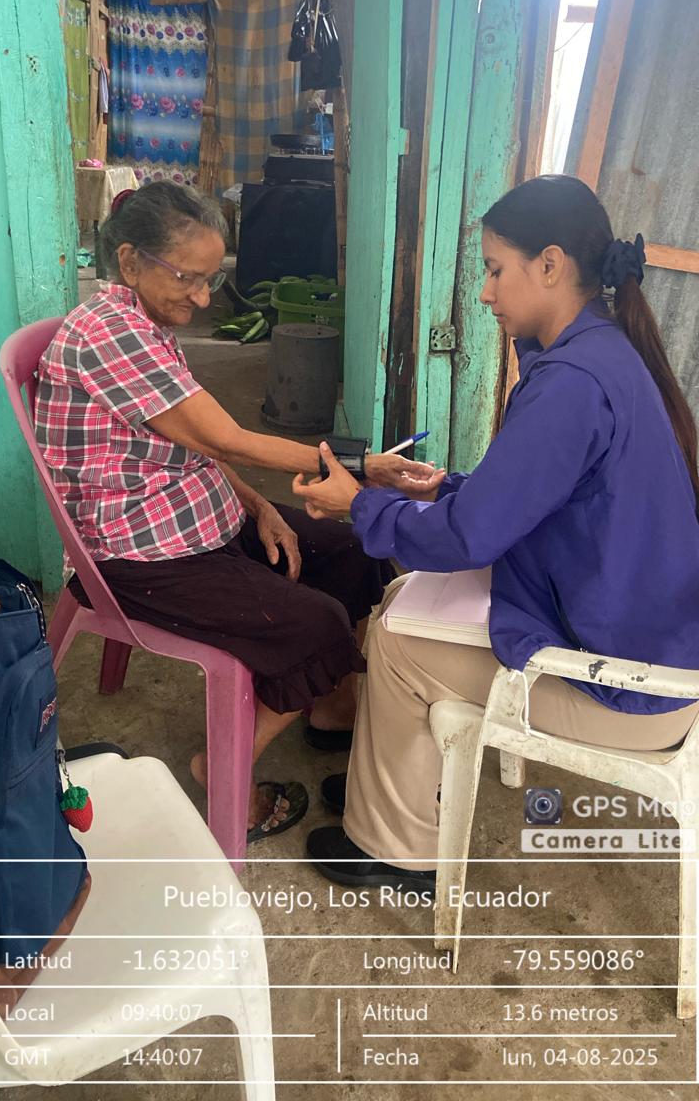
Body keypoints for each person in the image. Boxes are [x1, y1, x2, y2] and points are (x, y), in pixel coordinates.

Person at [292, 174, 699, 888]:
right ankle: (391, 789)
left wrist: (359, 505)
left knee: (397, 639)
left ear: (551, 265)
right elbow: (541, 497)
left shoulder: (572, 381)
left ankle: (397, 847)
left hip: (632, 689)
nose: (484, 292)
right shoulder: (602, 352)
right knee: (405, 602)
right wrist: (445, 487)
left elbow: (469, 540)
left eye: (494, 269)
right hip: (650, 640)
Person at [35, 180, 444, 841]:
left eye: (210, 280)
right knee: (316, 621)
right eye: (188, 279)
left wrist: (255, 504)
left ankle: (330, 708)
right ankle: (222, 767)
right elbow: (225, 439)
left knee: (346, 548)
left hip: (197, 517)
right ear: (131, 261)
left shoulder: (145, 322)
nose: (202, 299)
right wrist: (360, 464)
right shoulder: (110, 333)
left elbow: (195, 441)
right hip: (137, 555)